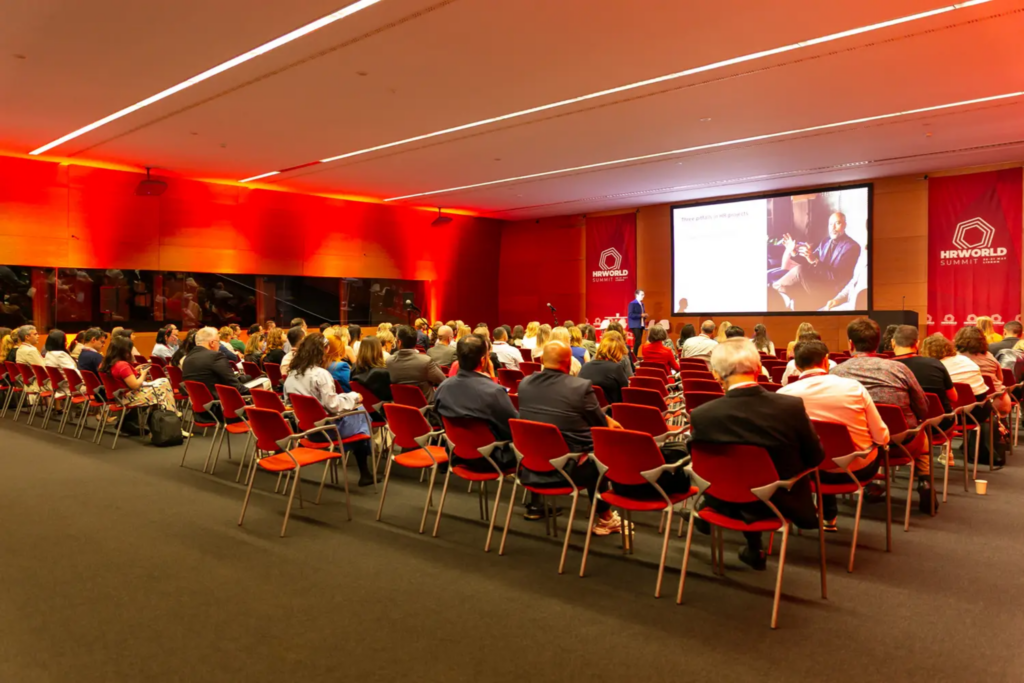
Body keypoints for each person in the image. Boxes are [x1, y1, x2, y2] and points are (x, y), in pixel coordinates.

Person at [688, 340, 824, 570]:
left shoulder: (702, 415)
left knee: (738, 476)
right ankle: (753, 547)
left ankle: (741, 540)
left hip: (724, 500)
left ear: (715, 375)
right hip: (780, 503)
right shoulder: (789, 407)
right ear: (759, 367)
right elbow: (816, 457)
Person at [779, 340, 890, 531]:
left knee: (820, 451)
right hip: (858, 470)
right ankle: (830, 514)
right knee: (832, 450)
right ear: (826, 361)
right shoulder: (854, 388)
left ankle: (828, 514)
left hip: (809, 473)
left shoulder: (784, 395)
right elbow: (882, 437)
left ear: (796, 366)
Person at [516, 341, 624, 533]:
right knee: (596, 457)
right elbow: (599, 425)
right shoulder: (580, 387)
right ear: (569, 363)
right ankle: (605, 518)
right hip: (568, 471)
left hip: (530, 467)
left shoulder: (524, 384)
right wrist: (606, 419)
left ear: (542, 360)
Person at [830, 318, 934, 510]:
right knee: (923, 433)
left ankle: (869, 484)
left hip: (856, 448)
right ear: (878, 343)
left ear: (851, 344)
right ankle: (925, 481)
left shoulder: (835, 372)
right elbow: (923, 408)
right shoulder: (899, 369)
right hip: (900, 443)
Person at [283, 333, 375, 487]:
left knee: (359, 418)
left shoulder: (292, 373)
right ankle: (364, 471)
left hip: (306, 430)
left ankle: (363, 469)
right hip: (328, 430)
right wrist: (354, 397)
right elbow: (333, 406)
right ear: (324, 350)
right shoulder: (321, 374)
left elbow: (290, 402)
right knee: (363, 415)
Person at [434, 335, 519, 473]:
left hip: (457, 454)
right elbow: (513, 429)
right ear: (484, 360)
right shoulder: (494, 391)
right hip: (493, 459)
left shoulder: (443, 387)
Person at [773, 212, 861, 310]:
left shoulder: (852, 247)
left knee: (799, 270)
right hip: (815, 284)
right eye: (831, 224)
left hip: (829, 291)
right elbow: (808, 259)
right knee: (785, 289)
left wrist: (815, 260)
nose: (833, 228)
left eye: (837, 223)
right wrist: (793, 252)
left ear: (845, 225)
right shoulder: (825, 242)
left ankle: (773, 289)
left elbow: (837, 277)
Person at [99, 336, 179, 415]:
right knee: (164, 384)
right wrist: (143, 374)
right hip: (128, 399)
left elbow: (119, 377)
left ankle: (170, 413)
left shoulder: (104, 363)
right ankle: (172, 414)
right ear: (124, 351)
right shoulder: (122, 365)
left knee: (163, 385)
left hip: (117, 398)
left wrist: (134, 371)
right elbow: (135, 385)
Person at [182, 327, 260, 405]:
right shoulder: (216, 356)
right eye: (218, 342)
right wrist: (258, 394)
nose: (219, 345)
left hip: (201, 409)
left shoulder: (187, 358)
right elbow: (235, 386)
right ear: (212, 343)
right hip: (223, 407)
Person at [892, 326, 957, 416]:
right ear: (917, 343)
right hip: (941, 422)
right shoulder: (935, 364)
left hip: (903, 424)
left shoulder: (886, 368)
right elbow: (953, 398)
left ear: (893, 342)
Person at [955, 326, 1011, 417]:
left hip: (960, 405)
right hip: (995, 402)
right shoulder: (990, 357)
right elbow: (1000, 380)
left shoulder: (953, 359)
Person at [386, 325, 446, 402]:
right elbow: (443, 380)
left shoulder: (389, 361)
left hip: (400, 407)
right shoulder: (425, 361)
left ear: (399, 342)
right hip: (426, 409)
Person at [579, 331, 630, 404]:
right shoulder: (615, 368)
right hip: (610, 411)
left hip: (587, 409)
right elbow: (625, 392)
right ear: (618, 351)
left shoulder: (585, 366)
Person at [351, 336, 393, 417]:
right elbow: (389, 396)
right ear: (378, 350)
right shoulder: (383, 372)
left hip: (361, 412)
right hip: (381, 414)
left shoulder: (354, 369)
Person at [627, 289, 648, 357]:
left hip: (641, 324)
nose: (643, 296)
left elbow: (642, 314)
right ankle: (634, 356)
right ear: (637, 295)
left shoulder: (642, 304)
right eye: (642, 294)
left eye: (643, 294)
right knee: (638, 340)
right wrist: (640, 315)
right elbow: (630, 314)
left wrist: (645, 315)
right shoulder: (632, 303)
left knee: (639, 341)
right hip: (635, 324)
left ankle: (634, 355)